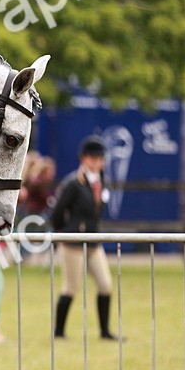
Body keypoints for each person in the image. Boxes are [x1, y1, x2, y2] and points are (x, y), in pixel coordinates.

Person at [49, 136, 121, 341]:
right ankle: (59, 331)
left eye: (100, 158)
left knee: (106, 284)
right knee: (71, 287)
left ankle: (105, 330)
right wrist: (67, 232)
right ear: (84, 159)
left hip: (93, 241)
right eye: (92, 157)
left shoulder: (103, 181)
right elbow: (56, 214)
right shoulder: (73, 182)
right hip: (73, 243)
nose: (97, 161)